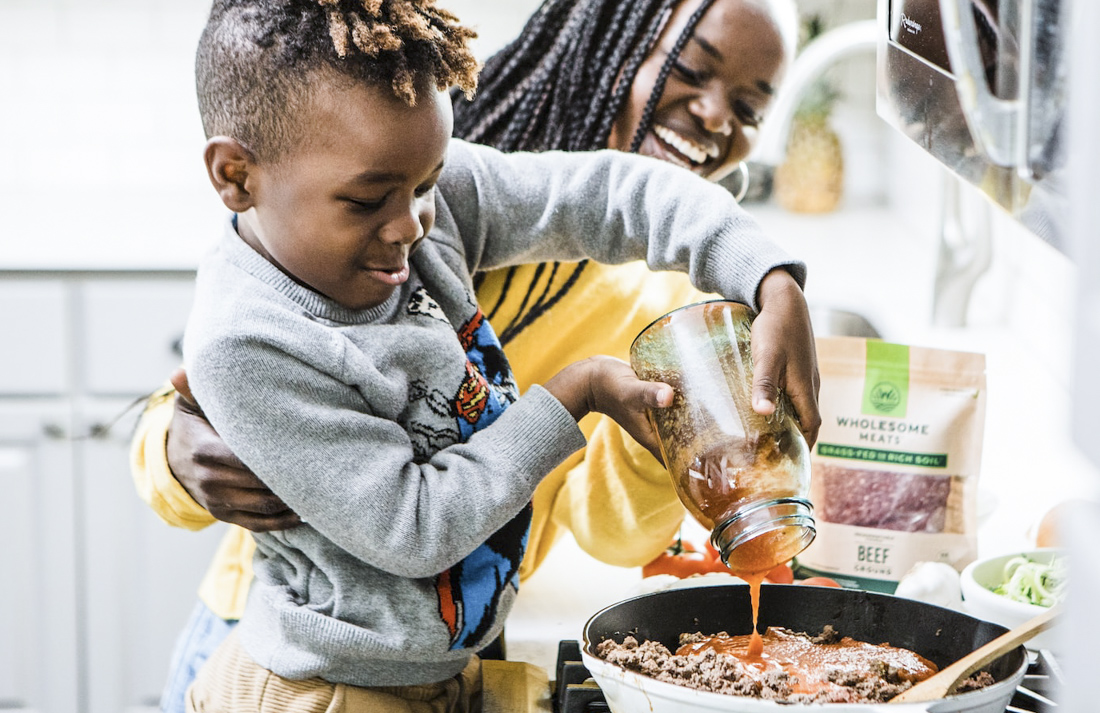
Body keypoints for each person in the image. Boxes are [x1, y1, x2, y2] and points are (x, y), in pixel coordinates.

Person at [130, 0, 816, 709]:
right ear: (235, 176)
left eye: (427, 185)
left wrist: (768, 276)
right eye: (367, 201)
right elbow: (415, 527)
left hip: (439, 662)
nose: (412, 226)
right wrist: (576, 392)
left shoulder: (410, 178)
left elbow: (615, 193)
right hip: (318, 684)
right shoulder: (255, 330)